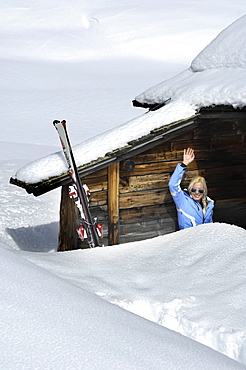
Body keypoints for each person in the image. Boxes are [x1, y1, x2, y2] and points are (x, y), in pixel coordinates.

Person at [168, 148, 214, 230]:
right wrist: (184, 164)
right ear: (190, 190)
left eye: (200, 190)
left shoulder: (208, 205)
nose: (196, 192)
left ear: (204, 192)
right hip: (189, 238)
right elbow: (172, 185)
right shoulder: (183, 201)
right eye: (193, 190)